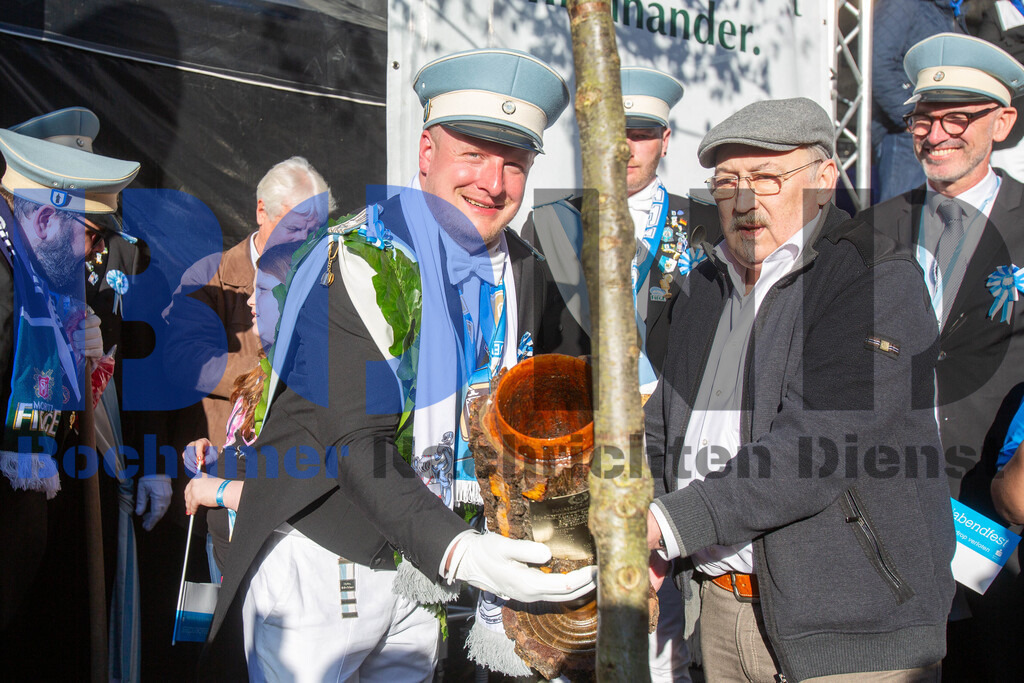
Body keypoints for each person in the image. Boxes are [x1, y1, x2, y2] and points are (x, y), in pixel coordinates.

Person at [199, 48, 596, 681]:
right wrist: (461, 552)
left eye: (514, 164)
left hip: (425, 576)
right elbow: (356, 442)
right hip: (326, 565)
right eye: (474, 155)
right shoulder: (354, 258)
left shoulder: (526, 268)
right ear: (426, 152)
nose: (493, 184)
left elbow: (561, 403)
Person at [645, 97, 954, 682]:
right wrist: (646, 522)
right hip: (717, 609)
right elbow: (665, 423)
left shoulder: (875, 275)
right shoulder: (705, 282)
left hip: (851, 632)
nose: (743, 200)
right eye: (727, 181)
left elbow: (818, 444)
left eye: (767, 178)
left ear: (824, 179)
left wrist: (668, 521)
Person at [517, 65, 699, 682]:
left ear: (665, 140)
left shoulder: (704, 224)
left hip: (673, 464)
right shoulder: (548, 222)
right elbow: (532, 352)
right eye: (612, 132)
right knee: (570, 636)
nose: (624, 148)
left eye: (640, 134)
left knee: (665, 645)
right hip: (576, 461)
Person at [858, 32, 1024, 680]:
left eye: (956, 118)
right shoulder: (871, 229)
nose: (935, 136)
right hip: (884, 523)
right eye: (923, 119)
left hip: (994, 526)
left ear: (1002, 122)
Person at [0, 126, 139, 677]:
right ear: (44, 219)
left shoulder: (33, 276)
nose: (97, 251)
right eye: (91, 234)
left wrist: (76, 364)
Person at [163, 156, 334, 449]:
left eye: (314, 231)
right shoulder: (210, 278)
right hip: (222, 450)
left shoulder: (324, 277)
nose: (303, 242)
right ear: (261, 211)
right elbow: (185, 358)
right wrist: (271, 374)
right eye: (293, 229)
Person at [181, 241, 300, 578]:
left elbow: (293, 487)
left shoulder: (303, 382)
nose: (249, 300)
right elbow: (251, 456)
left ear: (292, 299)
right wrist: (215, 457)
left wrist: (218, 491)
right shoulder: (259, 373)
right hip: (225, 556)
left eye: (262, 290)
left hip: (269, 567)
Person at [871, 0, 965, 202]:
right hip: (905, 136)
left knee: (932, 215)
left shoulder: (951, 10)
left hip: (939, 131)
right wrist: (912, 117)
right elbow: (877, 64)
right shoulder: (904, 4)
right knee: (901, 215)